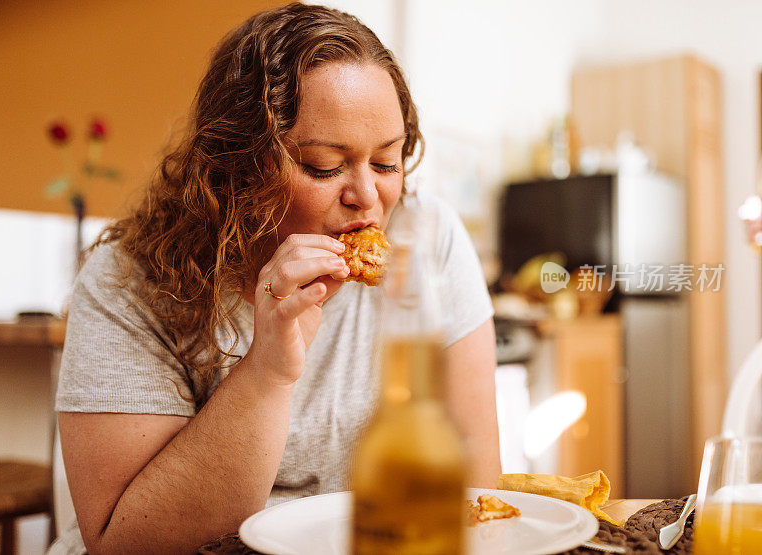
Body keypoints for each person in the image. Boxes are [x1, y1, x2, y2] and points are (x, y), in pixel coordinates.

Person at [51, 3, 500, 553]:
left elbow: (477, 490)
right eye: (322, 166)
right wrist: (267, 371)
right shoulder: (128, 280)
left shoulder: (426, 240)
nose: (367, 196)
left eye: (386, 162)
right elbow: (123, 543)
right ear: (240, 164)